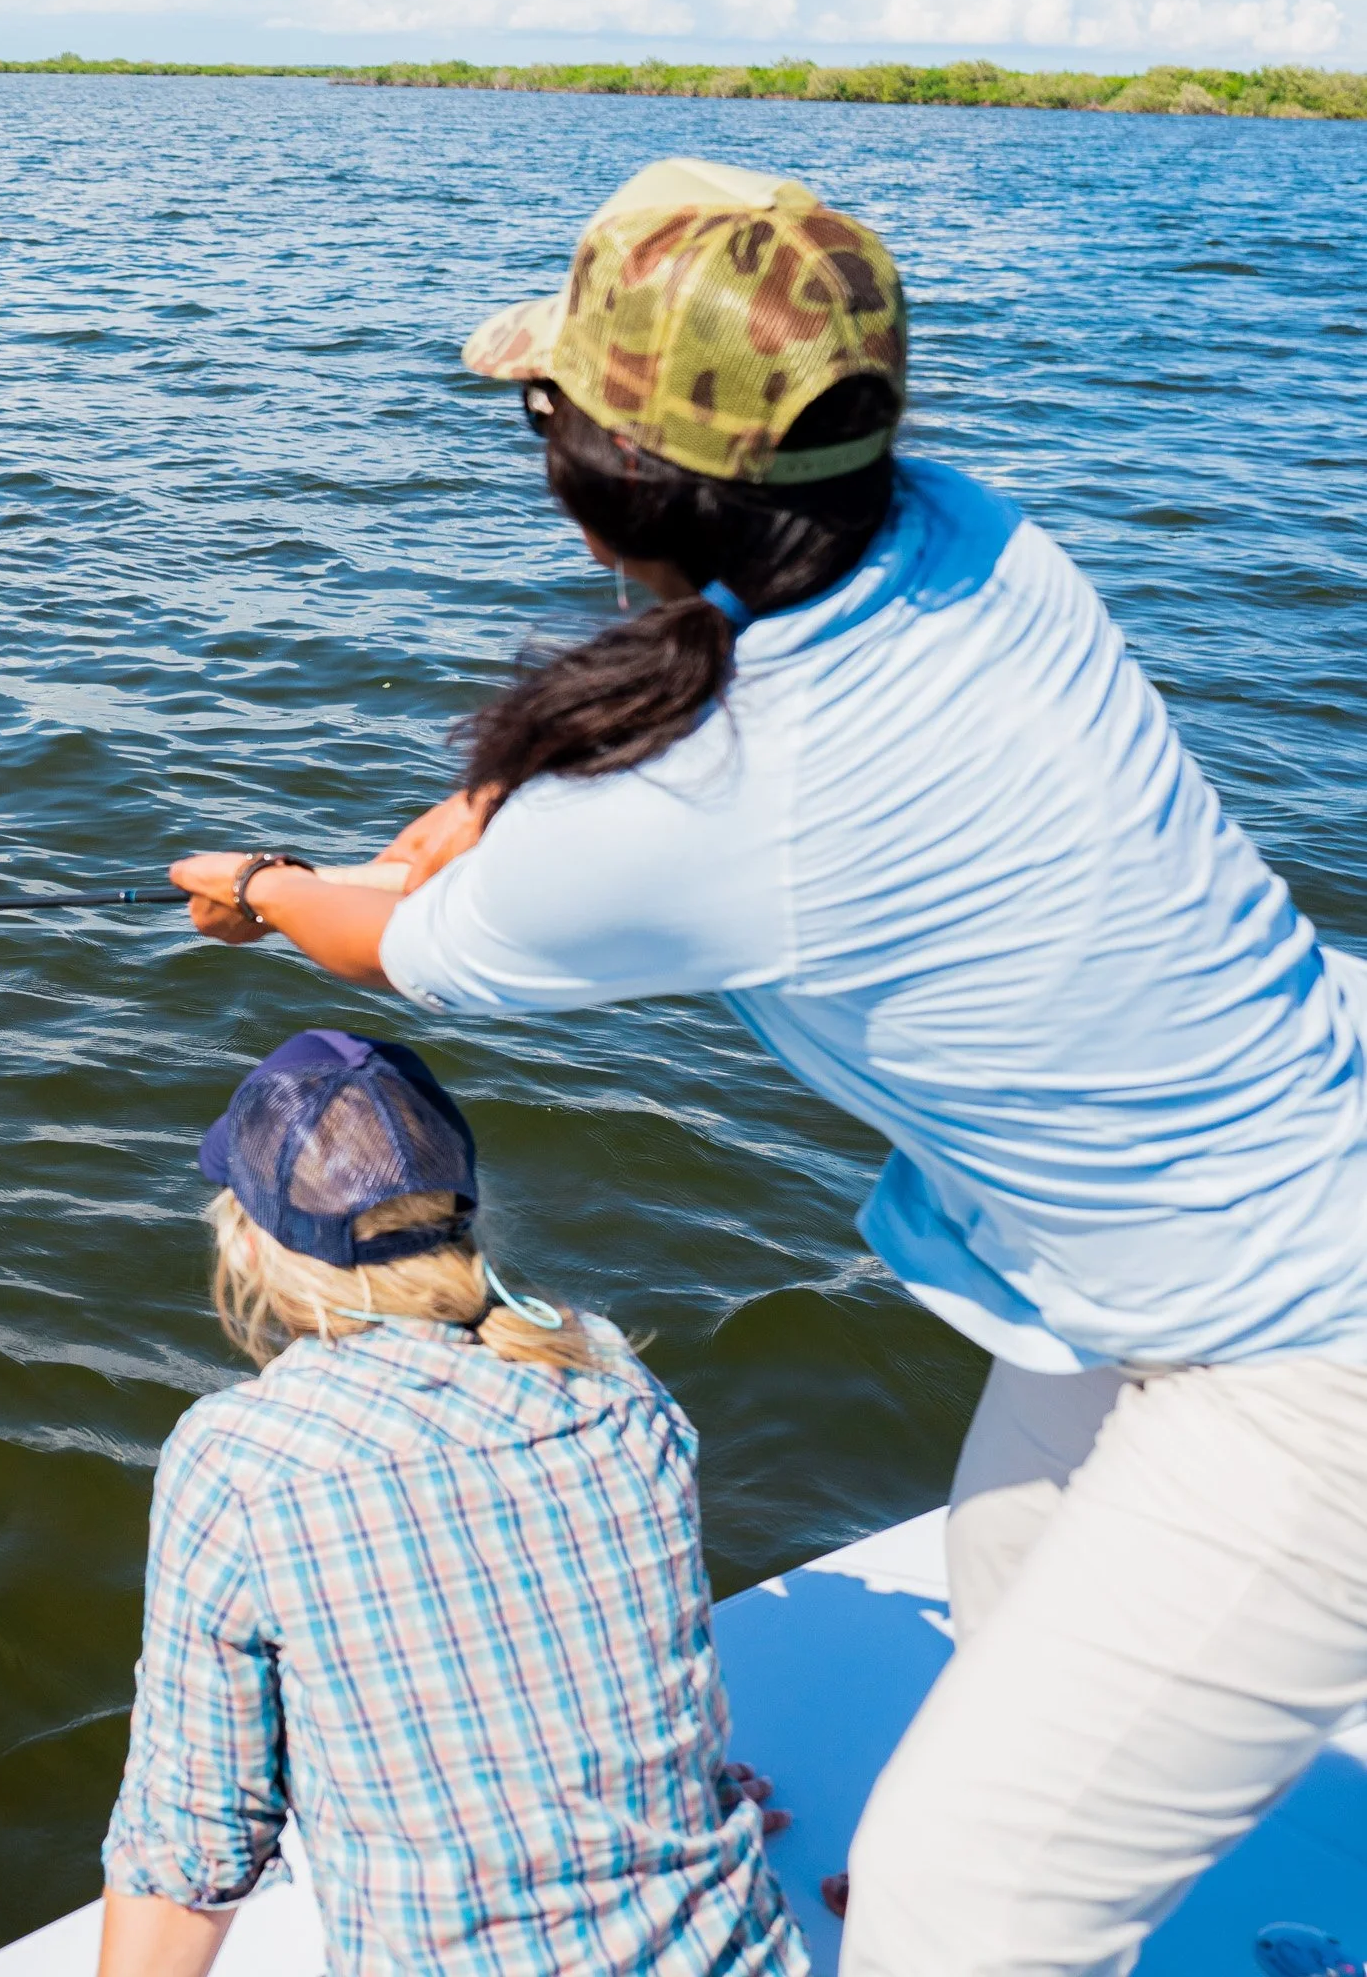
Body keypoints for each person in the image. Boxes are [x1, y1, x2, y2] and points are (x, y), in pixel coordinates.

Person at [168, 154, 1367, 1977]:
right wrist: (475, 809)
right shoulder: (965, 532)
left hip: (1312, 1344)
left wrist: (260, 889)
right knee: (1003, 1590)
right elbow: (682, 688)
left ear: (603, 474)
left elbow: (382, 946)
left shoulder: (711, 806)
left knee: (956, 1914)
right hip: (1237, 1192)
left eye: (546, 407)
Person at [100, 1026, 804, 1977]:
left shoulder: (241, 1461)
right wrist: (689, 1794)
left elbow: (192, 1842)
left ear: (257, 1236)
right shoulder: (607, 1373)